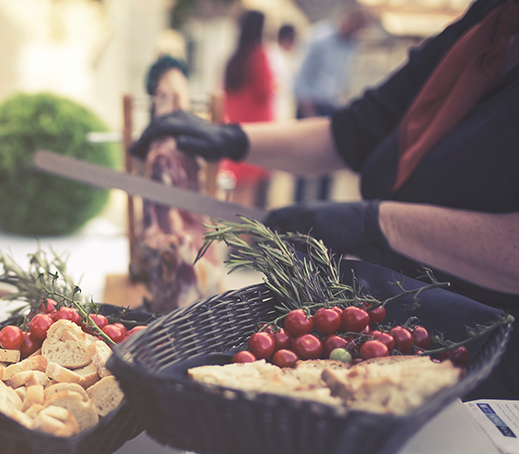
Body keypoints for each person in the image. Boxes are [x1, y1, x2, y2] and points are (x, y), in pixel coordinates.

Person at [131, 0, 519, 399]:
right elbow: (353, 131)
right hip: (387, 324)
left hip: (494, 355)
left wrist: (377, 223)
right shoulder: (487, 22)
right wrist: (233, 139)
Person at [292, 7, 369, 202]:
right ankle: (295, 214)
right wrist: (308, 113)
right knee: (303, 164)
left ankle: (319, 214)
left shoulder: (351, 43)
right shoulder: (319, 38)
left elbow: (342, 78)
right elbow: (301, 78)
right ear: (347, 20)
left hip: (332, 107)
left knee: (328, 166)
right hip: (311, 106)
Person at [221, 11, 275, 208]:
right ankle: (242, 240)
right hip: (258, 136)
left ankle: (232, 238)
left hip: (236, 131)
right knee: (250, 205)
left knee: (236, 200)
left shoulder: (233, 60)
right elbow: (265, 90)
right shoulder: (259, 56)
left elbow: (224, 95)